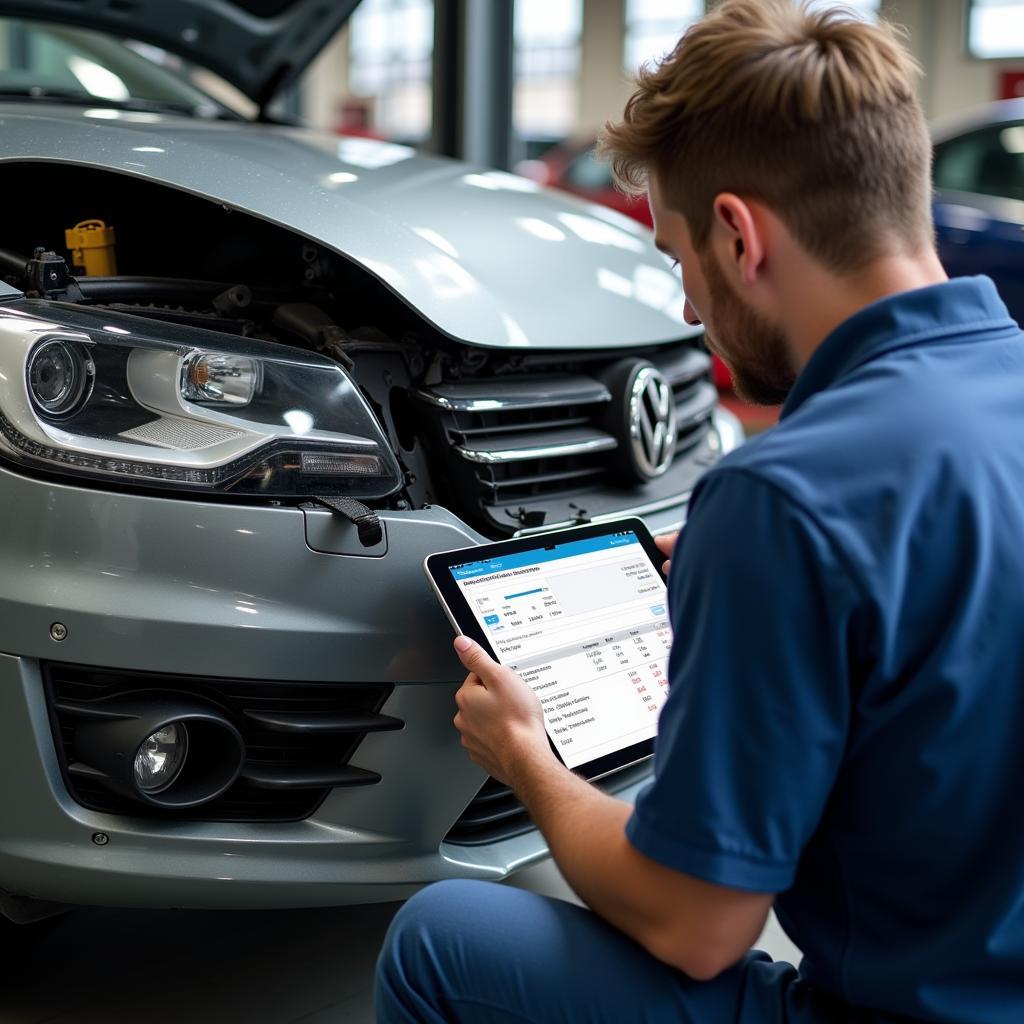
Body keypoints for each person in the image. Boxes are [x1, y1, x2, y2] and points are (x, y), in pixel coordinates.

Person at [376, 0, 1024, 1020]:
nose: (688, 307)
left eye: (678, 259)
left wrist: (529, 762)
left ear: (737, 234)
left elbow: (697, 923)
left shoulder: (782, 497)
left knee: (440, 939)